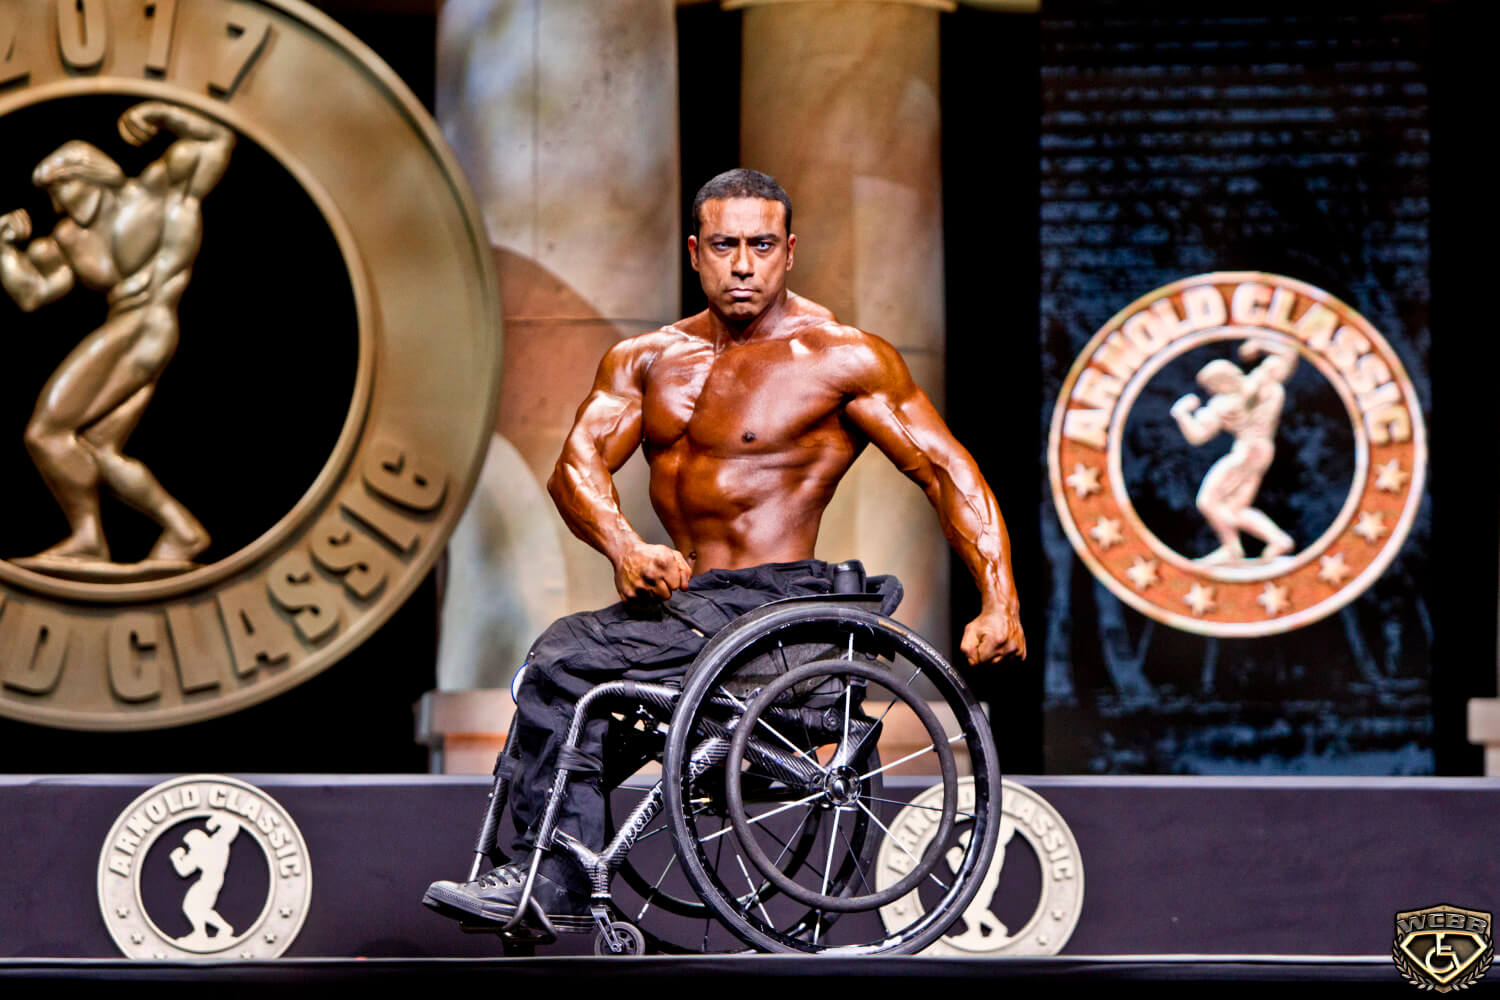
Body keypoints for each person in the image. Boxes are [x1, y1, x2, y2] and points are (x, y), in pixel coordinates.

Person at [424, 169, 1025, 929]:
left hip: (775, 608)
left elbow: (946, 471)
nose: (743, 265)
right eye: (724, 246)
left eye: (761, 246)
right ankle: (552, 872)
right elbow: (575, 467)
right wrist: (623, 546)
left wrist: (999, 599)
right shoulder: (645, 359)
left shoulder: (841, 358)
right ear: (694, 252)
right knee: (570, 685)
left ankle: (555, 884)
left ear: (789, 253)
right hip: (687, 610)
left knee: (563, 657)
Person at [0, 101, 233, 575]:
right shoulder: (69, 238)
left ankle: (89, 539)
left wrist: (163, 113)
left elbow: (216, 139)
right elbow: (32, 293)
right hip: (132, 329)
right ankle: (183, 531)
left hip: (146, 324)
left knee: (45, 433)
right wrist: (2, 249)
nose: (58, 203)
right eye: (52, 193)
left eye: (62, 187)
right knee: (98, 449)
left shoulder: (159, 190)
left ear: (89, 175)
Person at [1169, 339, 1299, 565]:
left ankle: (1232, 549)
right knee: (1235, 508)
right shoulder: (1263, 380)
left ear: (1222, 381)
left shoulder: (1225, 404)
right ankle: (1277, 540)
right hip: (1263, 451)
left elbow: (1198, 435)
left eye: (1212, 387)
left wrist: (1181, 414)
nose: (1211, 392)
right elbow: (1289, 355)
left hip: (1246, 451)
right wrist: (1261, 346)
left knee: (1208, 500)